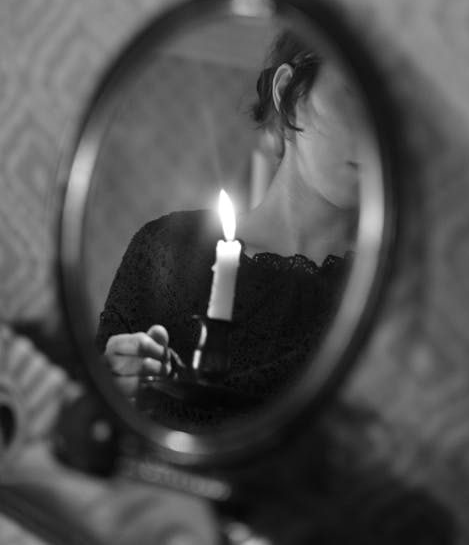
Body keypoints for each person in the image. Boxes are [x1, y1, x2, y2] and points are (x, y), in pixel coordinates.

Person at [96, 27, 361, 428]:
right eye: (354, 99)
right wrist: (115, 379)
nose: (376, 139)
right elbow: (96, 415)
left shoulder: (383, 295)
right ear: (291, 97)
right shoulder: (167, 250)